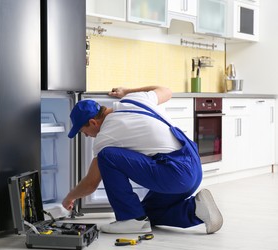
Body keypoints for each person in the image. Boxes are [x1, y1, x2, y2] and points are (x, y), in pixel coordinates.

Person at [62, 85, 223, 234]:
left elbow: (91, 183)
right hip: (192, 169)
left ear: (93, 122)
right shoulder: (135, 99)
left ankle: (130, 219)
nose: (86, 136)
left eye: (84, 131)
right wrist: (128, 91)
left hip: (176, 174)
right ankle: (196, 209)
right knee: (148, 213)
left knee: (106, 156)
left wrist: (70, 196)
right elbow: (166, 91)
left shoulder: (105, 136)